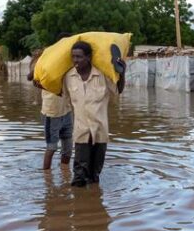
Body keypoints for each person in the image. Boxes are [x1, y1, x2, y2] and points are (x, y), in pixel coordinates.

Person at [62, 41, 126, 187]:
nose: (75, 60)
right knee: (79, 177)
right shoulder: (68, 77)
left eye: (79, 57)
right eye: (73, 57)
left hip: (100, 132)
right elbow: (64, 98)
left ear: (89, 57)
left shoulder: (102, 75)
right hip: (81, 132)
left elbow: (117, 91)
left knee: (95, 175)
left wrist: (122, 74)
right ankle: (79, 206)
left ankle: (94, 203)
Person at [27, 52, 73, 170]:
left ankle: (65, 174)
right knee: (52, 148)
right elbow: (31, 78)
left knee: (68, 149)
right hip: (51, 113)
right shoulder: (49, 61)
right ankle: (47, 180)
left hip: (66, 111)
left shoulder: (71, 64)